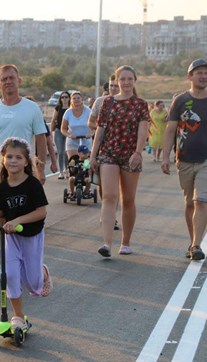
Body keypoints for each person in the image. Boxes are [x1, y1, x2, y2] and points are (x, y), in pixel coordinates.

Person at [0, 137, 51, 330]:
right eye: (9, 156)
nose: (13, 160)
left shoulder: (32, 184)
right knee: (11, 276)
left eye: (18, 157)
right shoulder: (3, 185)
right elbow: (0, 212)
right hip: (11, 239)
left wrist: (17, 221)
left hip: (31, 236)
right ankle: (18, 318)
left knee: (34, 285)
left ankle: (43, 272)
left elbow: (41, 212)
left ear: (26, 161)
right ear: (3, 159)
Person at [0, 64, 47, 281]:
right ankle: (6, 265)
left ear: (19, 80)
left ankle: (29, 263)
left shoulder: (31, 108)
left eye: (12, 78)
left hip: (26, 175)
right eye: (4, 79)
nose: (8, 81)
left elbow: (41, 138)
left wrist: (40, 169)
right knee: (3, 219)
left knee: (27, 221)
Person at [161, 58, 207, 261]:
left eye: (206, 73)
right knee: (189, 203)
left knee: (200, 200)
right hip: (183, 160)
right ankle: (193, 242)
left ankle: (197, 244)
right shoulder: (180, 101)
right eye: (199, 73)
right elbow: (170, 129)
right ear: (190, 76)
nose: (204, 76)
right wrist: (165, 157)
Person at [90, 65, 149, 257]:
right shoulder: (107, 103)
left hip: (130, 155)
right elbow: (100, 130)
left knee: (128, 199)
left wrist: (138, 152)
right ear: (116, 81)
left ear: (134, 81)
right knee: (109, 197)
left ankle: (125, 242)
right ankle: (106, 243)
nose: (125, 82)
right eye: (122, 79)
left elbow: (143, 129)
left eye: (129, 79)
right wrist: (93, 155)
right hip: (109, 153)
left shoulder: (140, 104)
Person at [88, 74, 121, 231]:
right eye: (111, 86)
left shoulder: (129, 102)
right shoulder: (100, 102)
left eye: (116, 85)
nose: (113, 88)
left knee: (116, 186)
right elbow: (91, 121)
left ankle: (112, 216)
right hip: (102, 147)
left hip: (121, 149)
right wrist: (100, 130)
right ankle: (106, 211)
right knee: (103, 185)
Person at [61, 91, 93, 161]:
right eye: (74, 98)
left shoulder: (88, 111)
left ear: (82, 99)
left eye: (78, 98)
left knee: (86, 163)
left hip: (86, 140)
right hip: (73, 140)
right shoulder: (68, 112)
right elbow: (63, 129)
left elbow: (95, 126)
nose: (76, 100)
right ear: (71, 100)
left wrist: (91, 134)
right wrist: (69, 135)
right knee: (73, 162)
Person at [49, 90, 71, 179]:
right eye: (63, 97)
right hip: (58, 131)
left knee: (66, 152)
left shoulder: (71, 108)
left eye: (66, 97)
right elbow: (53, 119)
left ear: (69, 98)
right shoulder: (58, 107)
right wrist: (51, 132)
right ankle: (61, 172)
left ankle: (67, 170)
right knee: (60, 152)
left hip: (68, 131)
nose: (64, 99)